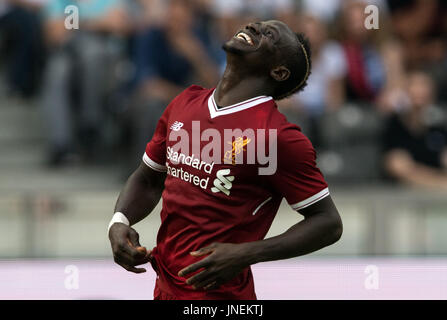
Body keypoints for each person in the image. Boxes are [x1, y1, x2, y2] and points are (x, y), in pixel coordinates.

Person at [108, 20, 343, 300]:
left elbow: (328, 223)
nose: (255, 26)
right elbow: (148, 180)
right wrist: (119, 221)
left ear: (278, 71)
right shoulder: (184, 102)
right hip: (164, 289)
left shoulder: (279, 137)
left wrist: (247, 253)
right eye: (259, 23)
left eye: (269, 34)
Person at [382, 70, 447, 189]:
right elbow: (396, 165)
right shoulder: (395, 124)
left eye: (424, 86)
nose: (420, 91)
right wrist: (440, 183)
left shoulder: (437, 126)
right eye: (415, 86)